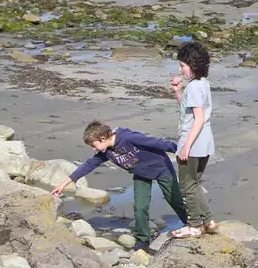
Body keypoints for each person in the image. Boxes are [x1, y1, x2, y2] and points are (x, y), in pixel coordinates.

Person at [51, 121, 189, 248]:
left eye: (94, 145)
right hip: (141, 174)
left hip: (161, 168)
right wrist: (64, 184)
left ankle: (192, 223)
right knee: (140, 206)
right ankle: (143, 240)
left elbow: (158, 143)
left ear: (103, 139)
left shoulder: (129, 138)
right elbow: (88, 165)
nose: (94, 149)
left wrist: (182, 150)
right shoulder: (106, 152)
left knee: (174, 199)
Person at [170, 40, 218, 239]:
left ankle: (194, 226)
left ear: (193, 65)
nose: (180, 70)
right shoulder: (201, 84)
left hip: (193, 144)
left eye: (182, 66)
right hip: (205, 143)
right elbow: (188, 110)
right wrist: (178, 91)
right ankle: (208, 221)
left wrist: (186, 147)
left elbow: (197, 119)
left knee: (187, 186)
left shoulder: (196, 87)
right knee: (195, 183)